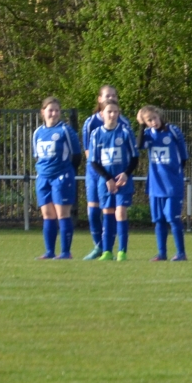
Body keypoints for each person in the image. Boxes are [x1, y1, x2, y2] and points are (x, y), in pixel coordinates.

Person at [87, 100, 137, 261]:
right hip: (106, 182)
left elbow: (135, 157)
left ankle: (122, 251)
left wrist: (126, 174)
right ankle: (107, 251)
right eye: (109, 112)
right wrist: (108, 179)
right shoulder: (96, 134)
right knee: (108, 214)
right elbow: (94, 161)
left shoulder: (125, 132)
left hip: (123, 180)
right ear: (102, 114)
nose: (113, 115)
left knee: (120, 212)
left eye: (116, 112)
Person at [138, 105, 189, 262]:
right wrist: (140, 126)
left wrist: (175, 173)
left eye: (154, 118)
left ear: (160, 116)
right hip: (155, 184)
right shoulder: (147, 134)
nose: (153, 122)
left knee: (172, 218)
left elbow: (184, 156)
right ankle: (162, 253)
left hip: (172, 183)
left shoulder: (173, 131)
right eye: (149, 120)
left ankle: (181, 253)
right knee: (158, 219)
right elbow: (138, 146)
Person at [31, 97, 79, 259]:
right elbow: (37, 157)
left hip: (62, 176)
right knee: (47, 214)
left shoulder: (65, 130)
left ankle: (66, 252)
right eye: (50, 110)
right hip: (43, 177)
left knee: (62, 213)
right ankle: (49, 251)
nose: (54, 113)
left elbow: (76, 155)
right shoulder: (38, 133)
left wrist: (67, 172)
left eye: (57, 110)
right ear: (43, 112)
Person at [80, 84, 120, 258]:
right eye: (106, 95)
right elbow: (88, 152)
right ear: (99, 99)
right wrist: (102, 172)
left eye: (113, 95)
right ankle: (99, 245)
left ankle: (107, 249)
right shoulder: (91, 123)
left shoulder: (122, 122)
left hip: (113, 174)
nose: (110, 98)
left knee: (110, 212)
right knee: (93, 212)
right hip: (94, 172)